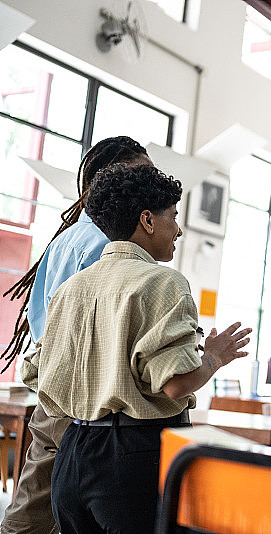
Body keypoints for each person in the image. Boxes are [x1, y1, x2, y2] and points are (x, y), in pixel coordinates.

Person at [21, 163, 252, 534]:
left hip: (71, 454)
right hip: (131, 460)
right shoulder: (164, 283)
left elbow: (35, 370)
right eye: (173, 216)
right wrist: (212, 357)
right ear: (147, 220)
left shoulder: (72, 288)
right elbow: (174, 384)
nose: (178, 229)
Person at [0, 136, 153, 534]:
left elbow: (42, 324)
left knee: (37, 501)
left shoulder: (66, 238)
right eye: (141, 176)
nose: (148, 187)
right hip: (81, 402)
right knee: (47, 511)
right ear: (107, 184)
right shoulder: (108, 245)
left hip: (55, 390)